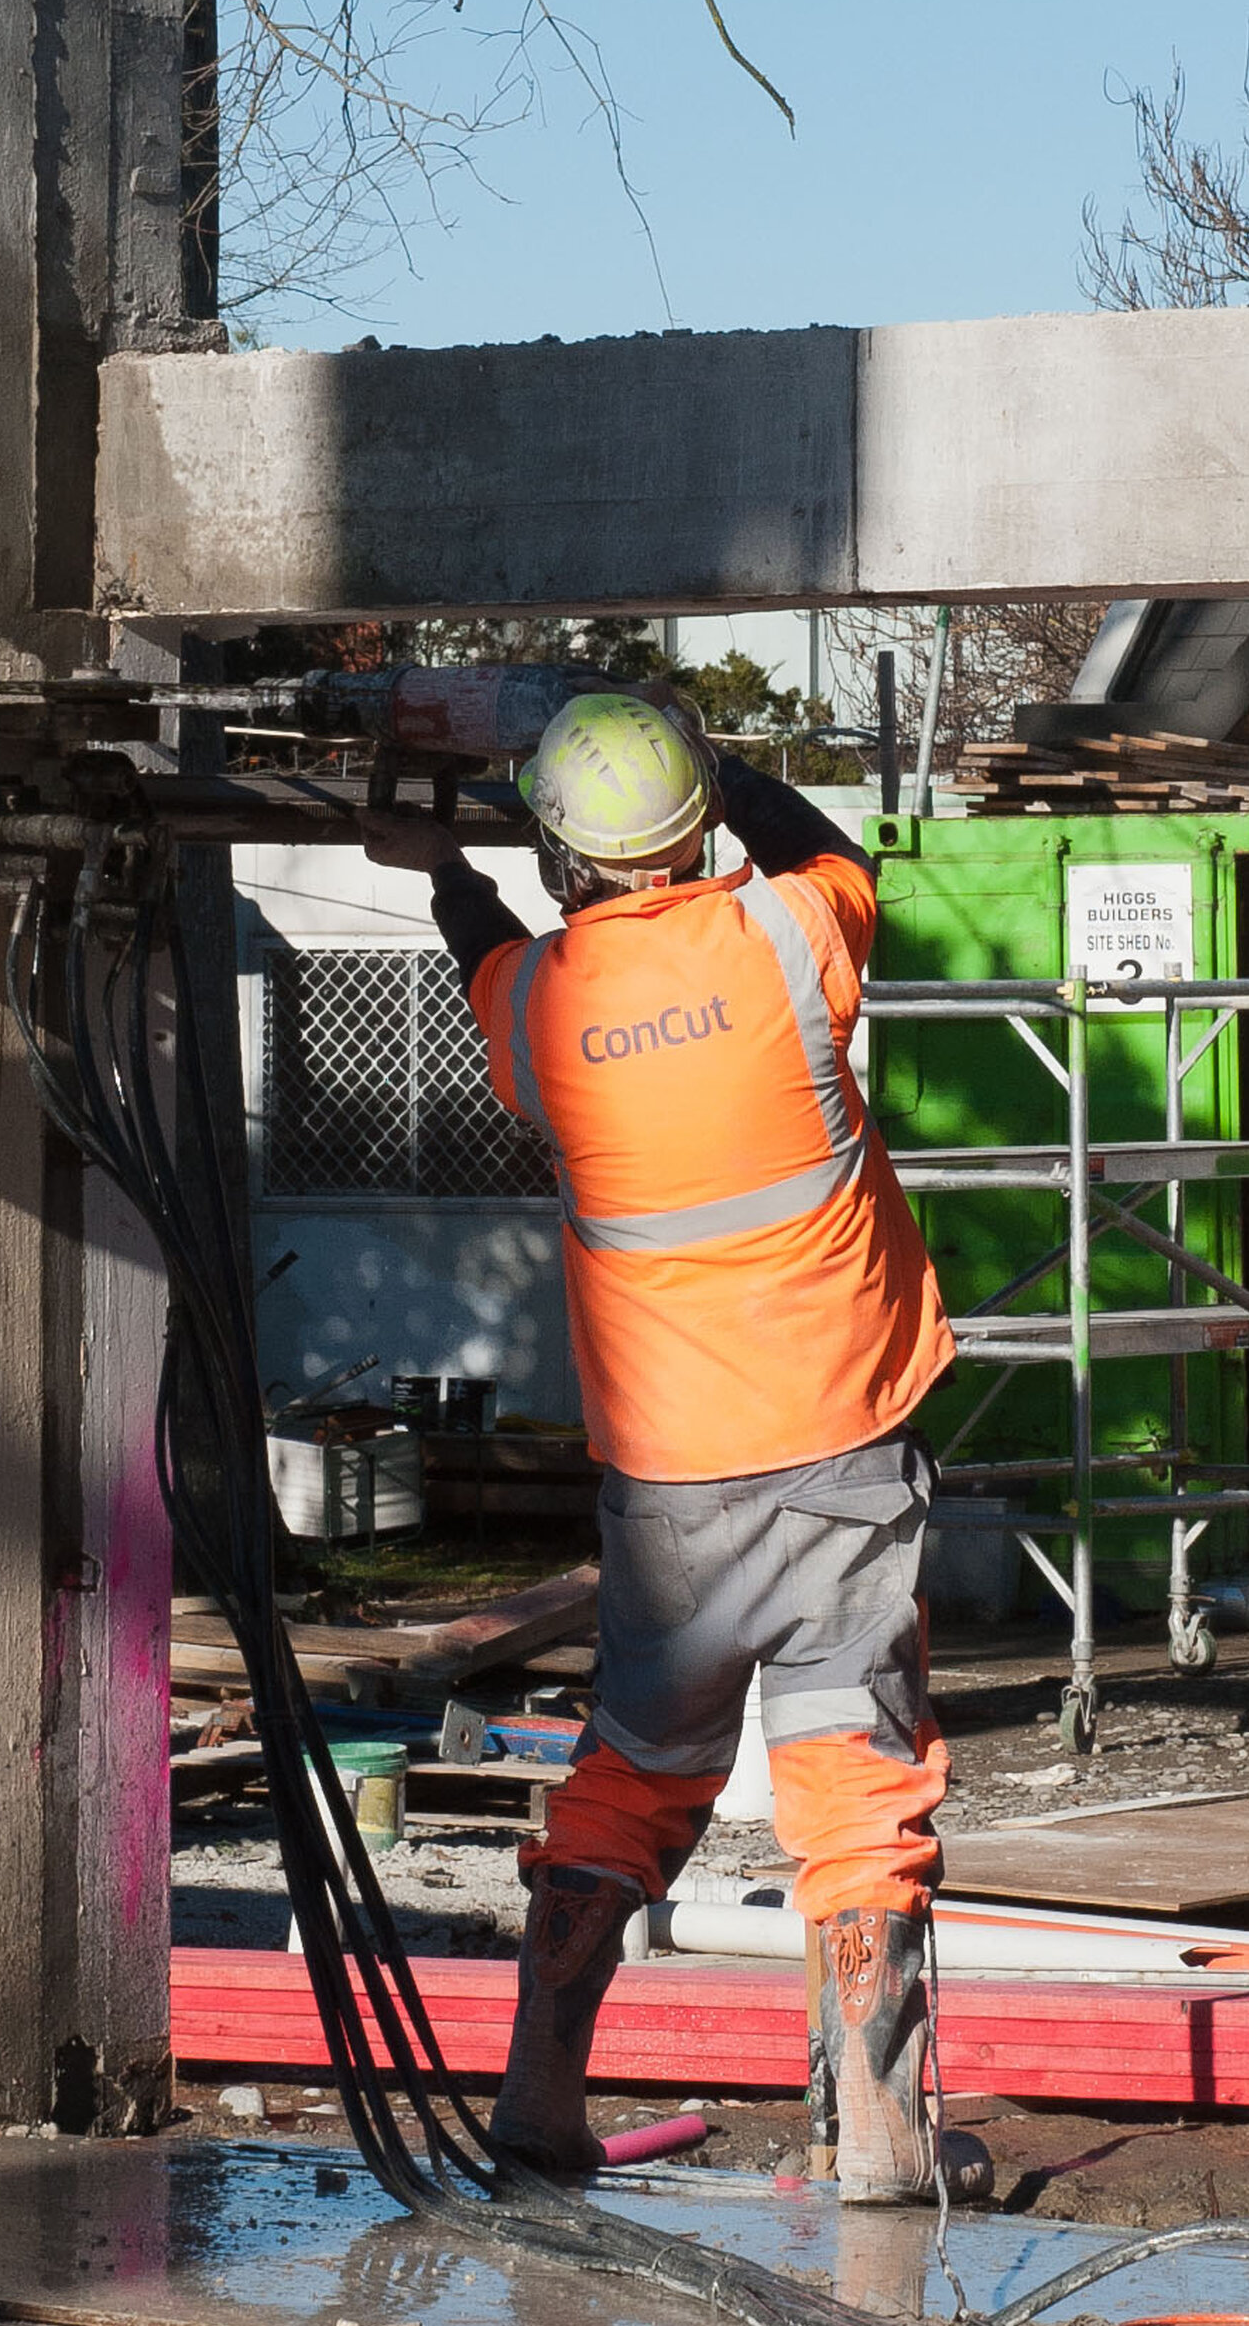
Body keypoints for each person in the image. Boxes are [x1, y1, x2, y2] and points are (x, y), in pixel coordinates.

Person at [364, 683, 957, 2201]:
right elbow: (829, 850)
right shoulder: (789, 941)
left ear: (561, 856)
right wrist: (720, 761)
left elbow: (487, 953)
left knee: (633, 1777)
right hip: (841, 1436)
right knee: (856, 1783)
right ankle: (882, 2135)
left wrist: (438, 866)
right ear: (694, 821)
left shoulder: (540, 1009)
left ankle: (542, 2101)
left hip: (670, 1475)